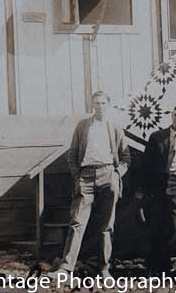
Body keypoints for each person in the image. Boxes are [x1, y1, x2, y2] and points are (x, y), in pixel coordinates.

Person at [49, 91, 131, 279]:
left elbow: (125, 157)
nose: (100, 106)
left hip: (108, 175)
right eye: (96, 103)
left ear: (108, 105)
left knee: (106, 226)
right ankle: (66, 268)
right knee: (77, 222)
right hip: (85, 177)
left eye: (103, 103)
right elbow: (72, 154)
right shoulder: (83, 126)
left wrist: (116, 174)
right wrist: (78, 176)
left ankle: (104, 269)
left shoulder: (116, 127)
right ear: (92, 106)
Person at [137, 104, 176, 275]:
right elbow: (145, 165)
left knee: (174, 225)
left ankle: (156, 258)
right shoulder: (157, 137)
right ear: (171, 116)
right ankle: (159, 263)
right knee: (157, 224)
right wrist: (142, 190)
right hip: (158, 184)